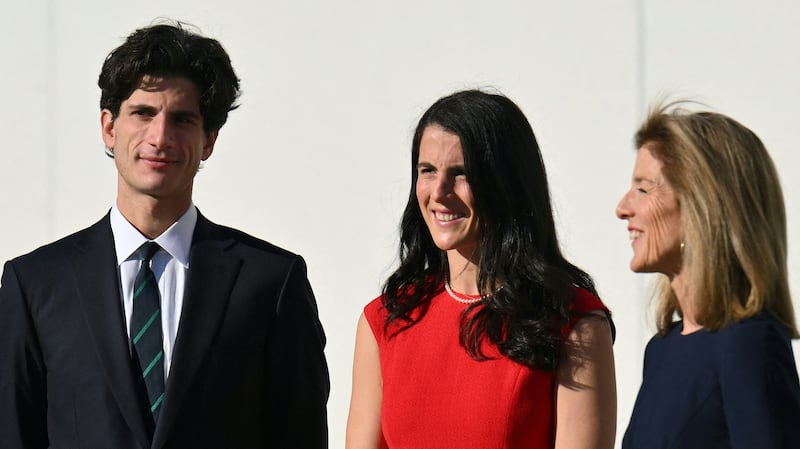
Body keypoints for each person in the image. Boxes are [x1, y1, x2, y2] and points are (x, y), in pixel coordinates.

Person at [0, 22, 329, 449]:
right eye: (143, 113)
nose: (160, 137)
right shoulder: (35, 284)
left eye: (182, 119)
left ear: (209, 140)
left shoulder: (271, 282)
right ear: (109, 127)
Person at [346, 89, 617, 449]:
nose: (439, 192)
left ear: (507, 183)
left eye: (462, 174)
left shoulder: (573, 323)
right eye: (427, 171)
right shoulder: (384, 321)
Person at [617, 102, 800, 448]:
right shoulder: (661, 350)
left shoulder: (749, 344)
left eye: (643, 188)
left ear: (700, 204)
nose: (622, 208)